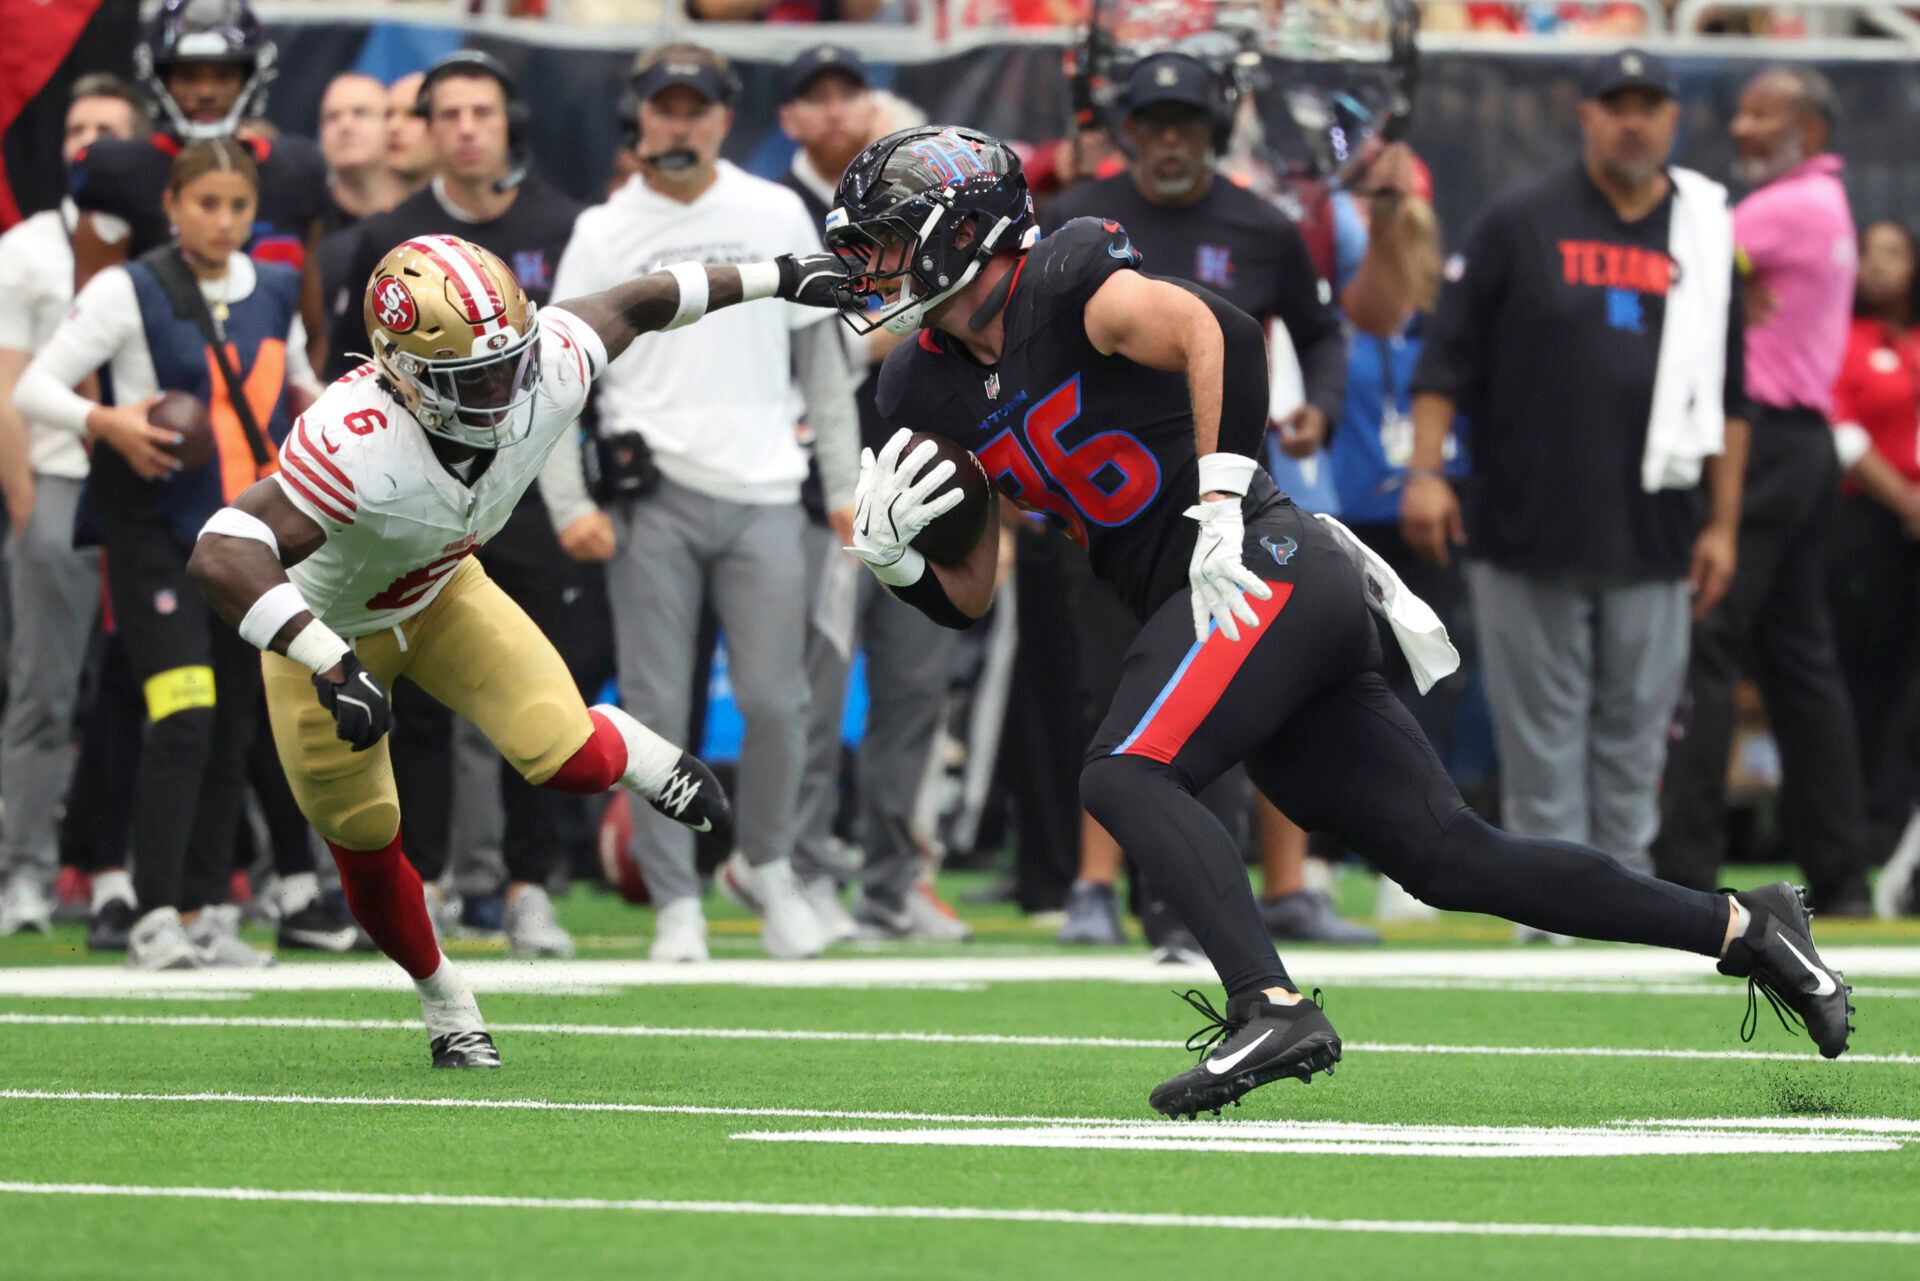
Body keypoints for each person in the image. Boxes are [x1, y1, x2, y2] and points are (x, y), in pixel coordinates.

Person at [820, 123, 1852, 1119]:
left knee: (1125, 770)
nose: (871, 268)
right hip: (1213, 597)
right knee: (1451, 859)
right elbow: (972, 598)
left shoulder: (1068, 276)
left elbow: (1215, 330)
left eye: (885, 241)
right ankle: (1743, 926)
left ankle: (1268, 1006)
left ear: (965, 230)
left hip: (1258, 559)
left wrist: (1220, 501)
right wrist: (902, 562)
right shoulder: (923, 385)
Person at [186, 233, 845, 1065]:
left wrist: (780, 275)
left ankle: (629, 748)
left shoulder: (553, 362)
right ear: (402, 372)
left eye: (511, 362)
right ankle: (446, 1000)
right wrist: (325, 657)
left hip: (443, 593)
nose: (503, 388)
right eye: (474, 377)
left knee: (564, 756)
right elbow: (223, 547)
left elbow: (640, 299)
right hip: (327, 638)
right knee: (367, 837)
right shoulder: (354, 440)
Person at [1404, 50, 1747, 912]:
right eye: (1614, 104)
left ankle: (1627, 917)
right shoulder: (1521, 219)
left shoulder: (1702, 232)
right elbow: (1448, 358)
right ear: (1584, 115)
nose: (1632, 121)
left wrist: (1725, 525)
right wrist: (1425, 473)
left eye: (1649, 105)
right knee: (1543, 750)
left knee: (1636, 748)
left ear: (1674, 119)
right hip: (1530, 521)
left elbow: (1732, 392)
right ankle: (1547, 923)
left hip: (1660, 525)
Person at [1044, 51, 1367, 948]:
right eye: (1153, 124)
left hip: (1232, 500)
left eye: (1187, 124)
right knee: (1112, 695)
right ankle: (1093, 888)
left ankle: (1233, 896)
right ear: (1129, 132)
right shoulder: (1077, 219)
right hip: (1110, 501)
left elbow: (1323, 333)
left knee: (1240, 695)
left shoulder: (1261, 225)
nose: (1170, 141)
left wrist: (1322, 409)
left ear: (1215, 133)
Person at [546, 44, 859, 962]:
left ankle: (764, 865)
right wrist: (568, 501)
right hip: (654, 499)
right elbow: (559, 375)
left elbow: (824, 367)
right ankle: (676, 900)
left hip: (766, 486)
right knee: (653, 711)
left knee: (777, 701)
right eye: (663, 107)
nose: (679, 123)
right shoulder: (603, 229)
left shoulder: (774, 209)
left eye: (697, 107)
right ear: (637, 118)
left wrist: (844, 487)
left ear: (727, 116)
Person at [12, 139, 320, 968]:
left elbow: (298, 387)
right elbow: (33, 386)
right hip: (152, 538)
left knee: (229, 726)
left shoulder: (280, 289)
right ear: (175, 204)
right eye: (206, 204)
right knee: (181, 713)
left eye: (238, 207)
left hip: (246, 542)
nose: (223, 222)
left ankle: (209, 908)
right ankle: (152, 915)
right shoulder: (127, 287)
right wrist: (105, 423)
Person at [326, 50, 596, 957]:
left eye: (485, 111)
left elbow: (584, 356)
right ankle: (431, 878)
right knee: (421, 707)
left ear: (507, 121)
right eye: (452, 114)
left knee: (538, 688)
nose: (470, 128)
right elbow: (347, 376)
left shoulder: (562, 222)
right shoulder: (389, 233)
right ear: (427, 128)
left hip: (520, 488)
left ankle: (528, 884)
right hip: (418, 496)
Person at [1654, 66, 1874, 915]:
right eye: (1740, 112)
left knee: (1709, 644)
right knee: (1800, 662)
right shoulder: (1826, 205)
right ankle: (1843, 875)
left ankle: (1685, 872)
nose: (1743, 127)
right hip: (1804, 446)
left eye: (1764, 116)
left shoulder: (1788, 207)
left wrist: (1727, 282)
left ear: (1810, 134)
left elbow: (1685, 263)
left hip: (1766, 444)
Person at [776, 47, 969, 942]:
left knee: (916, 687)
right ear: (789, 119)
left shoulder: (930, 213)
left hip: (926, 468)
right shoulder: (771, 213)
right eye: (814, 98)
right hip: (826, 482)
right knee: (819, 683)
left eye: (850, 91)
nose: (836, 111)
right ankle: (806, 868)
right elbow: (822, 352)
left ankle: (894, 878)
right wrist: (917, 310)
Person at [0, 76, 145, 939]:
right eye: (79, 127)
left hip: (148, 491)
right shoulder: (26, 248)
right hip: (58, 478)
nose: (90, 140)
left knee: (142, 694)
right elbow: (8, 382)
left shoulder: (162, 235)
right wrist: (22, 500)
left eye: (110, 129)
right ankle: (21, 869)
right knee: (44, 691)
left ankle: (125, 869)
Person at [69, 0, 328, 372]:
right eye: (189, 76)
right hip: (152, 398)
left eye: (222, 75)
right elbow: (87, 329)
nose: (206, 91)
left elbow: (313, 327)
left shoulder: (297, 169)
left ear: (250, 77)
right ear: (161, 78)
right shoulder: (118, 172)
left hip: (266, 400)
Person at [1827, 221, 1920, 908]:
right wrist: (1905, 497)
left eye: (1894, 252)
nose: (1878, 266)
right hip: (1865, 526)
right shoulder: (1841, 340)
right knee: (1862, 681)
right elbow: (1843, 430)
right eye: (1868, 252)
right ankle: (1854, 837)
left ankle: (1897, 837)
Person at [317, 73, 403, 231]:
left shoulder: (425, 215)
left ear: (391, 124)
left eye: (360, 113)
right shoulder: (306, 222)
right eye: (332, 117)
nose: (345, 125)